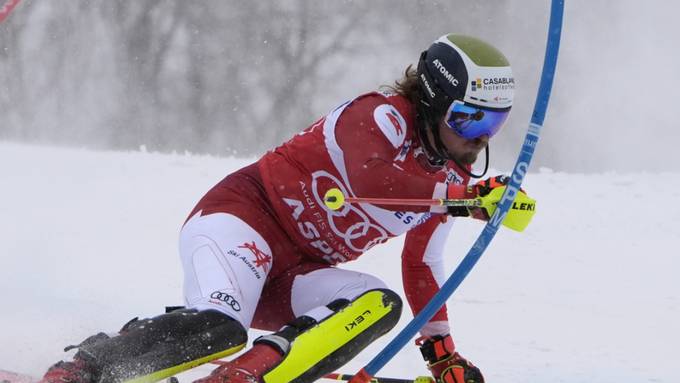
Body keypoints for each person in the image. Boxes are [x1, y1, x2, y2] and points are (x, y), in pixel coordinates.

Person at [41, 34, 526, 383]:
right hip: (243, 222)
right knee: (221, 327)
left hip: (295, 274)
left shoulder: (454, 180)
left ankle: (245, 377)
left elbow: (421, 263)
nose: (476, 139)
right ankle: (86, 366)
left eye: (494, 124)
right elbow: (371, 180)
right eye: (468, 117)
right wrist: (461, 199)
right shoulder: (378, 115)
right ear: (433, 101)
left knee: (377, 304)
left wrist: (441, 354)